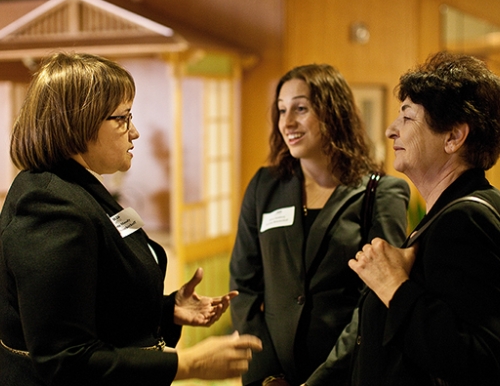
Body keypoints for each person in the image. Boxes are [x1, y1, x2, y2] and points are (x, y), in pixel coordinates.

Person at [0, 52, 262, 386]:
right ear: (78, 122)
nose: (134, 132)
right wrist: (187, 364)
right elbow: (64, 359)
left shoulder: (79, 187)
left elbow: (94, 303)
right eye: (122, 118)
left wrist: (166, 312)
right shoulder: (50, 205)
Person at [306, 51, 500, 386]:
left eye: (407, 118)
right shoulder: (461, 209)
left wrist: (393, 286)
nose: (390, 130)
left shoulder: (464, 220)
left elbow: (479, 360)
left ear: (454, 137)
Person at [229, 63, 410, 386]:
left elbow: (377, 297)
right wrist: (266, 373)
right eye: (282, 110)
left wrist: (323, 379)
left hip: (347, 372)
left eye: (301, 108)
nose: (287, 122)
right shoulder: (264, 186)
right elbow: (243, 285)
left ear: (333, 112)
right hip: (272, 374)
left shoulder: (380, 193)